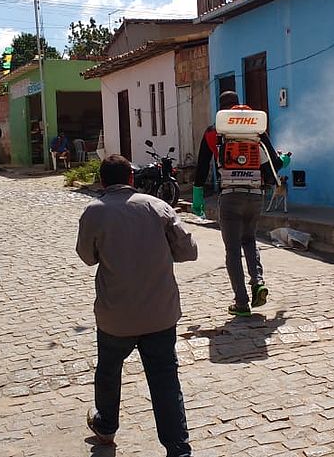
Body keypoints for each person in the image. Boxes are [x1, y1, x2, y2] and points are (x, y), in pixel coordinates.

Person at [76, 155, 197, 456]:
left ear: (103, 182)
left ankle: (106, 427)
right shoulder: (158, 207)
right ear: (131, 178)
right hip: (160, 314)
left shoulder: (94, 212)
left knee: (108, 371)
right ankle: (178, 448)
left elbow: (87, 257)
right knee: (165, 380)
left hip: (115, 316)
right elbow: (188, 251)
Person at [191, 91, 282, 317]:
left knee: (232, 250)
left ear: (221, 108)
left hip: (230, 197)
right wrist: (284, 159)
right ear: (239, 104)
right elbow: (274, 164)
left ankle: (241, 302)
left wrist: (197, 195)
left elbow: (202, 167)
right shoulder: (256, 129)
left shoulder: (213, 132)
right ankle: (258, 282)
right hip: (255, 196)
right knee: (249, 240)